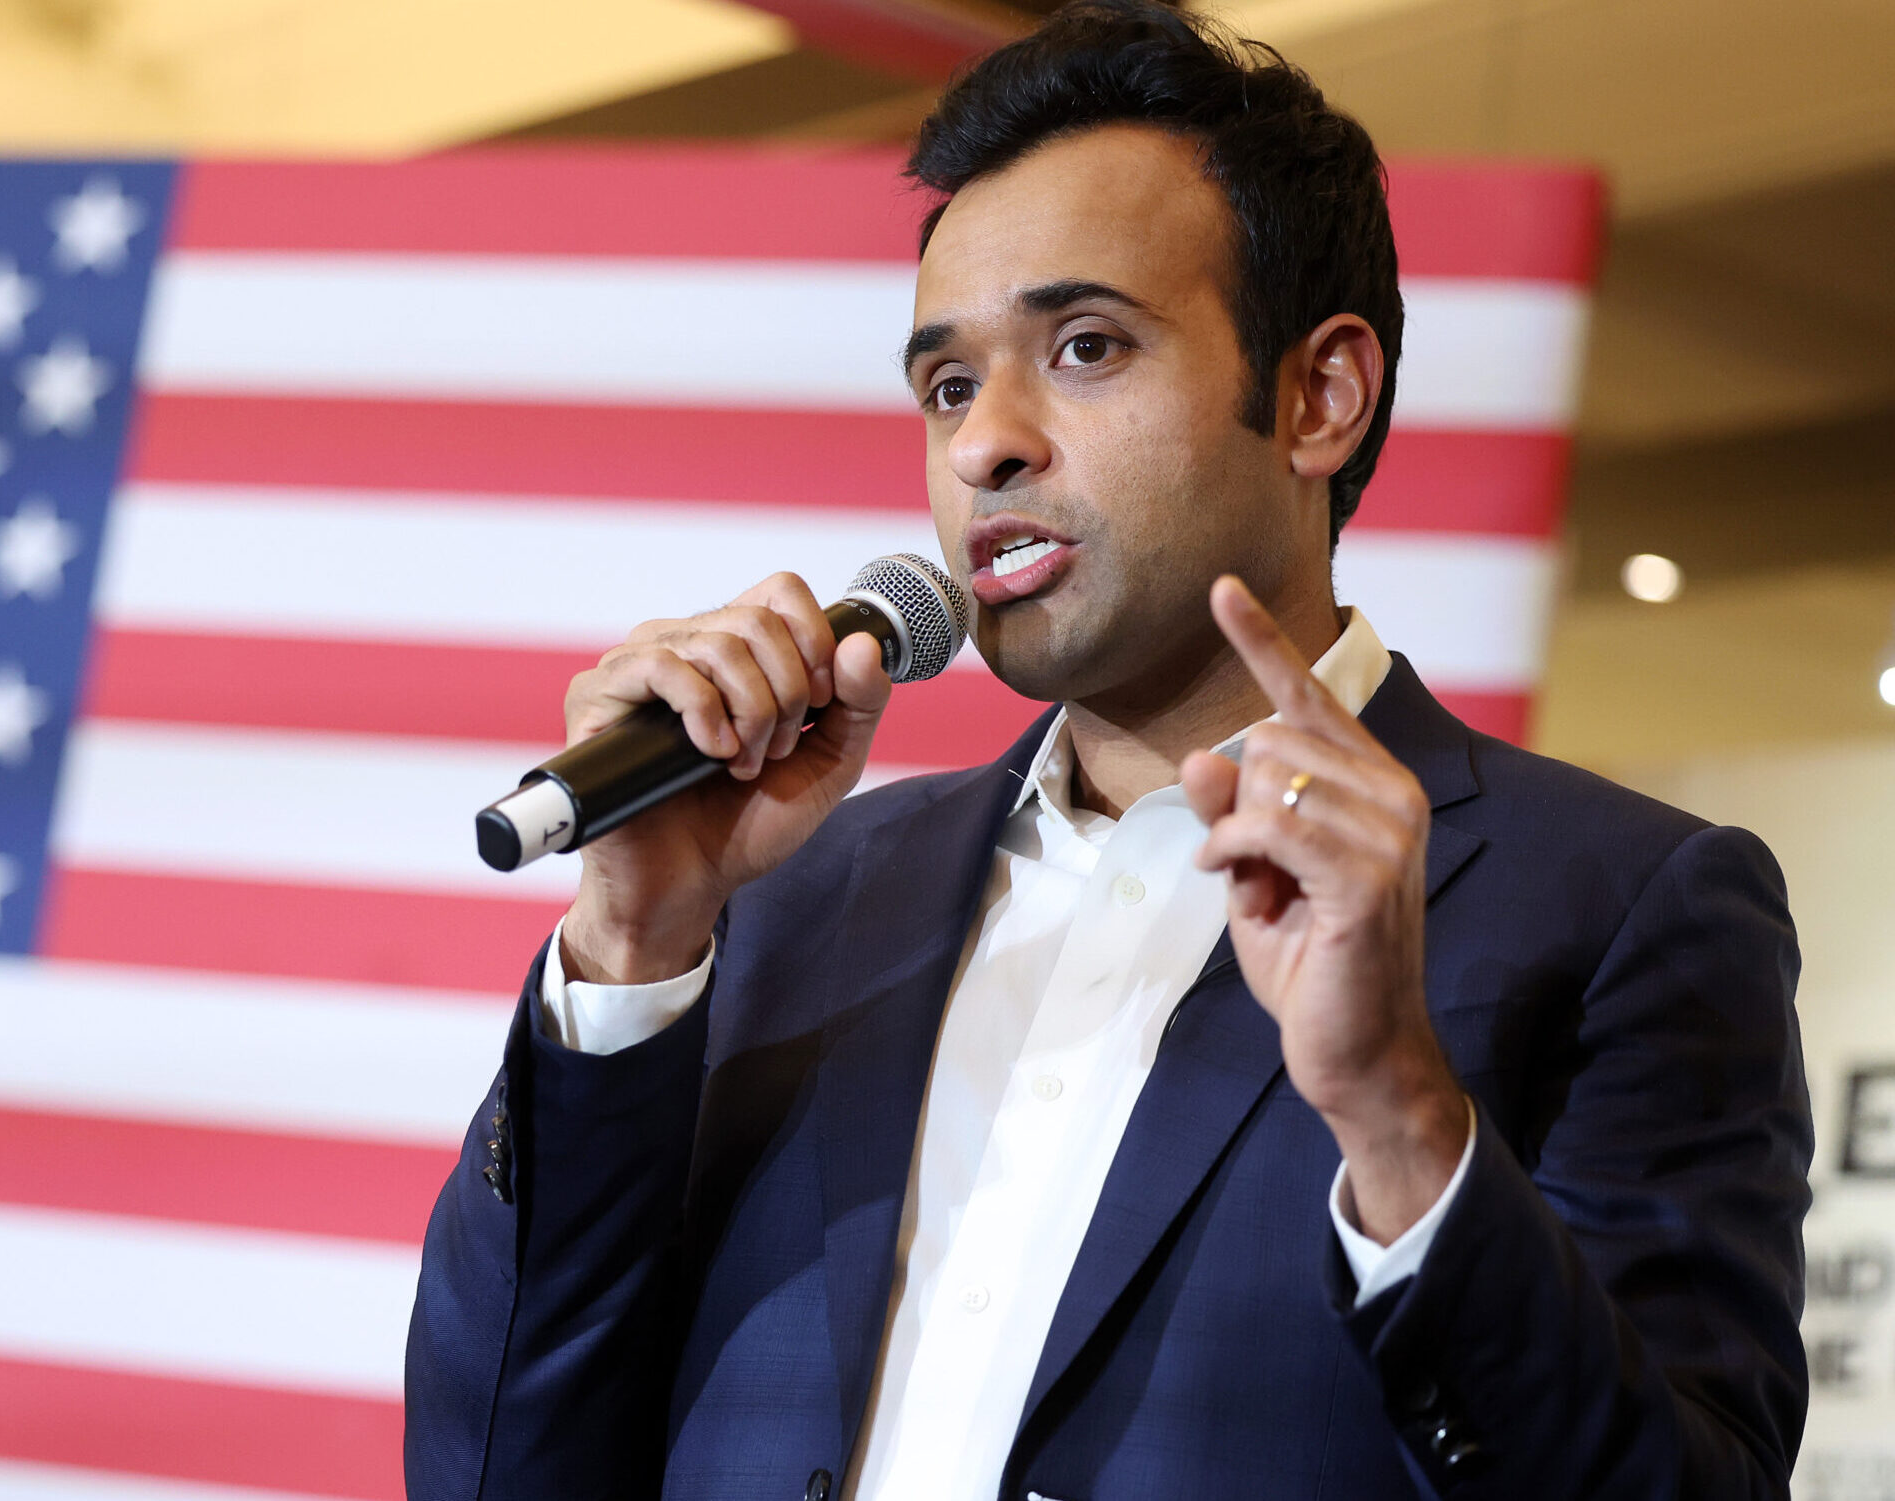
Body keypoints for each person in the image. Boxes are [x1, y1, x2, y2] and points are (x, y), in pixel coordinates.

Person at [403, 3, 1812, 1496]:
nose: (982, 446)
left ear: (1318, 394)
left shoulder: (1620, 905)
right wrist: (629, 944)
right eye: (948, 383)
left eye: (1083, 348)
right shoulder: (797, 896)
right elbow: (495, 1460)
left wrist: (1401, 1118)